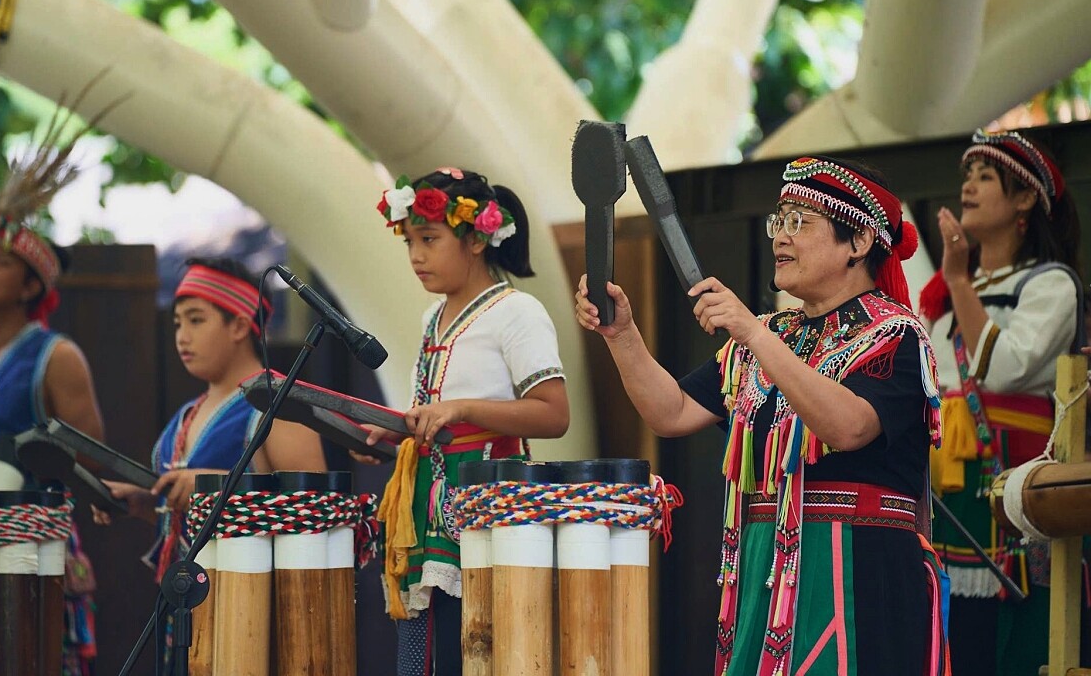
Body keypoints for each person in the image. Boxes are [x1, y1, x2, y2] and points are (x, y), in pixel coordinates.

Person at [577, 156, 947, 676]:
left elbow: (848, 427)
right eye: (780, 220)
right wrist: (622, 335)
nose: (782, 235)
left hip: (855, 570)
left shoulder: (893, 335)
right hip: (765, 568)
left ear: (858, 243)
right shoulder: (775, 335)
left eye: (801, 221)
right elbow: (672, 412)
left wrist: (754, 333)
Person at [370, 167, 569, 676]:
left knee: (480, 643)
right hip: (427, 501)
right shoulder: (431, 318)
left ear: (478, 238)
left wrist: (462, 409)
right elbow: (434, 409)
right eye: (410, 241)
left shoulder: (516, 311)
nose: (416, 256)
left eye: (429, 239)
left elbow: (553, 413)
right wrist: (392, 432)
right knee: (427, 645)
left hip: (487, 500)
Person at [920, 130, 1082, 676]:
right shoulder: (942, 302)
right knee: (954, 636)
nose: (969, 186)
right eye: (967, 175)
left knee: (1016, 634)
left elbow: (1007, 368)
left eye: (985, 177)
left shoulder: (1049, 284)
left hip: (1013, 481)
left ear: (1025, 199)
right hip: (949, 488)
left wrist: (960, 282)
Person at [0, 139, 104, 676]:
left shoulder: (56, 356)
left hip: (36, 550)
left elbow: (92, 460)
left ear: (30, 283)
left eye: (1, 262)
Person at [95, 258, 326, 579]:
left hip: (250, 604)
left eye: (196, 320)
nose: (182, 336)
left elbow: (310, 515)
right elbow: (192, 517)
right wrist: (144, 502)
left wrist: (215, 488)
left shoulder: (280, 405)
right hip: (186, 605)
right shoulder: (187, 414)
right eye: (177, 323)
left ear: (239, 326)